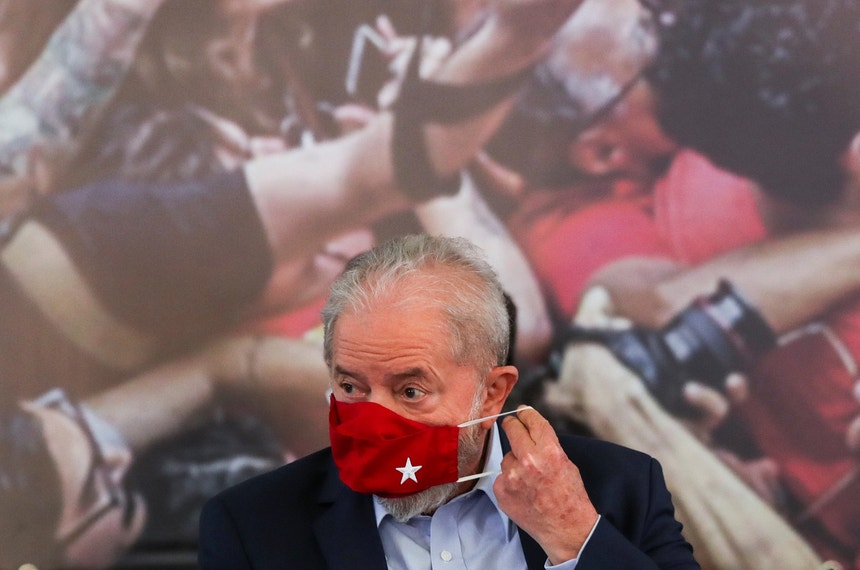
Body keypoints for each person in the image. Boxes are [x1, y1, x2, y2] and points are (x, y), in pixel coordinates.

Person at [197, 234, 699, 569]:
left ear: (493, 392)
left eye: (410, 391)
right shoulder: (253, 525)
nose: (375, 421)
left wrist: (573, 537)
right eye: (351, 387)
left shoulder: (619, 487)